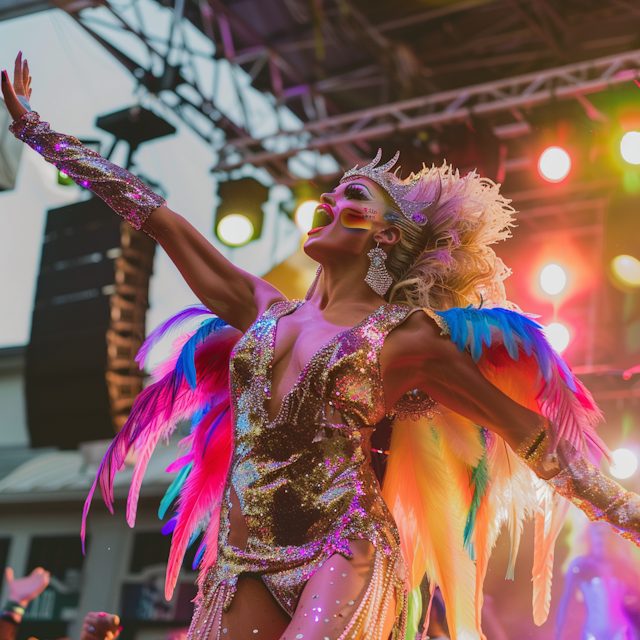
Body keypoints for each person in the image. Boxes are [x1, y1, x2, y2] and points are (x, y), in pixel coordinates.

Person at [3, 53, 640, 640]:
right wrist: (41, 136)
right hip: (240, 555)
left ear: (387, 237)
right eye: (330, 193)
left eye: (354, 197)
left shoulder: (408, 337)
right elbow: (159, 218)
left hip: (344, 546)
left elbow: (534, 436)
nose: (329, 201)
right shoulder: (261, 310)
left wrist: (626, 513)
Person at [556, 522, 640, 640]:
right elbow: (566, 604)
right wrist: (560, 634)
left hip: (623, 631)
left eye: (605, 533)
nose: (602, 538)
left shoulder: (623, 566)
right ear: (590, 535)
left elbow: (637, 606)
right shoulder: (580, 566)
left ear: (612, 536)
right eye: (598, 533)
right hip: (592, 632)